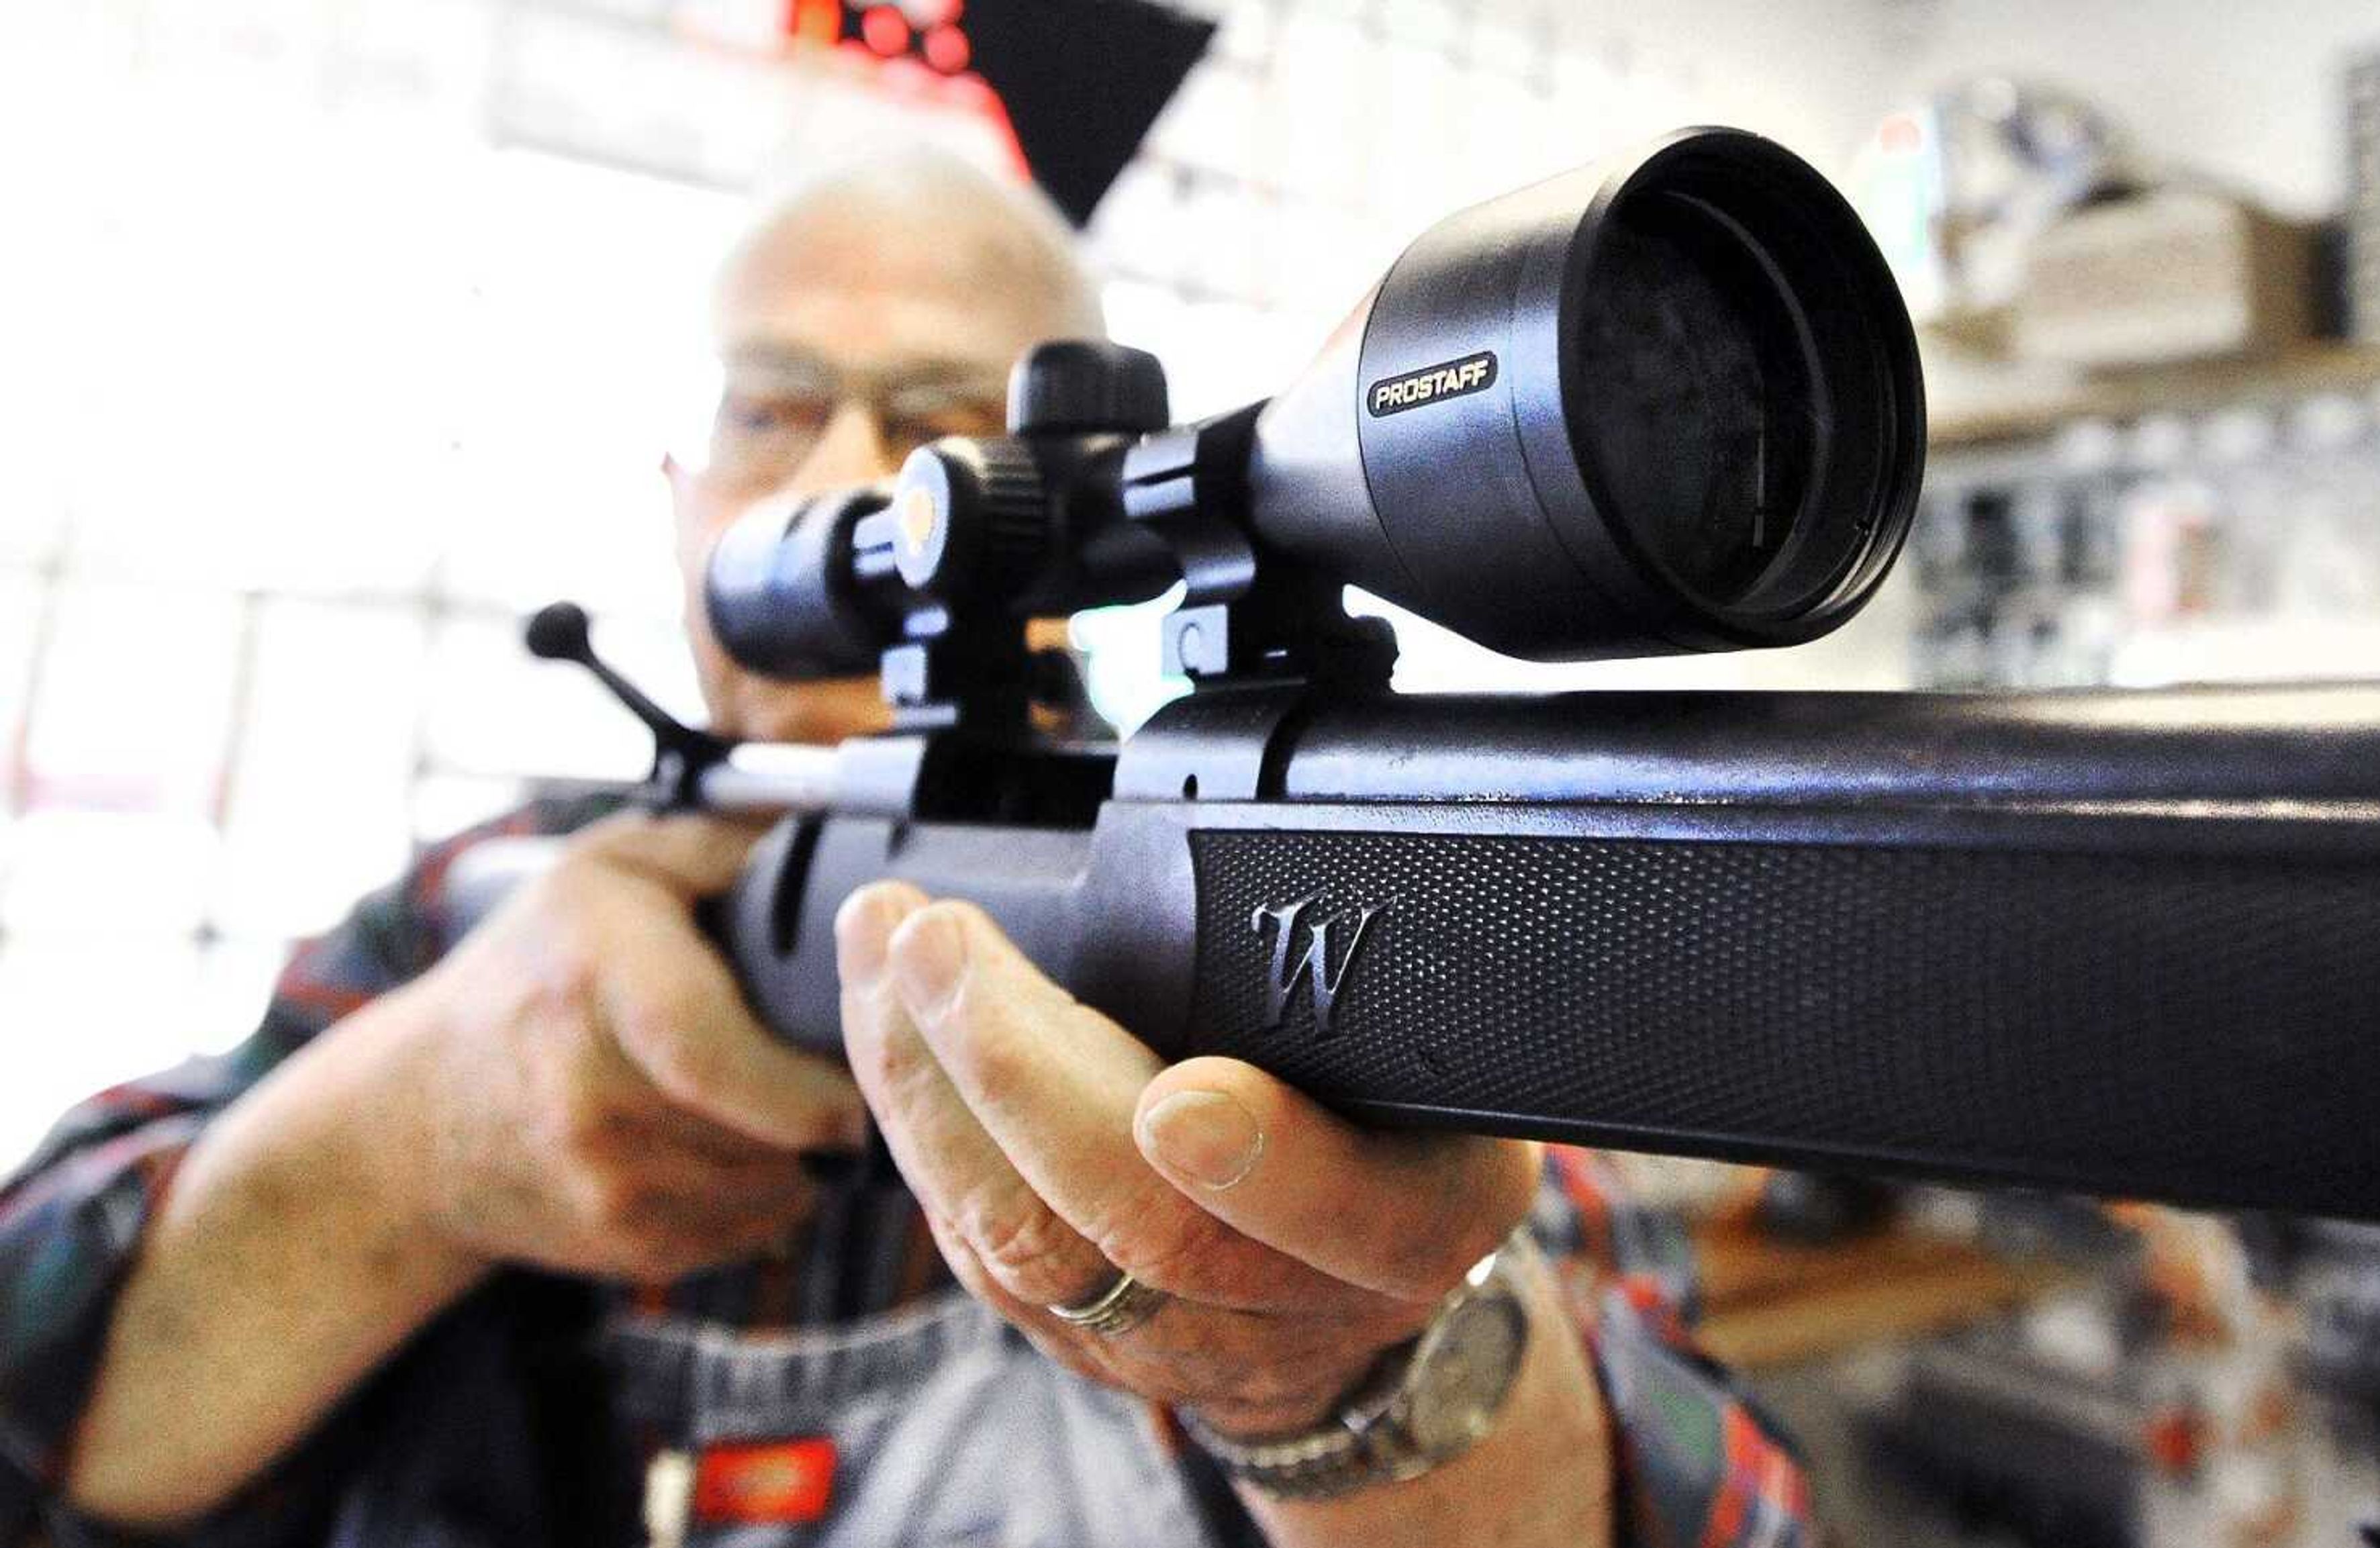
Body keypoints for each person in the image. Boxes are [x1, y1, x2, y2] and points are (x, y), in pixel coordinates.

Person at [0, 146, 1810, 1547]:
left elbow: (1733, 1500)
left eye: (948, 424)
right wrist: (411, 1136)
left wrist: (1359, 1369)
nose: (855, 487)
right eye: (775, 409)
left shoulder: (1261, 884)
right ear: (684, 502)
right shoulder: (498, 916)